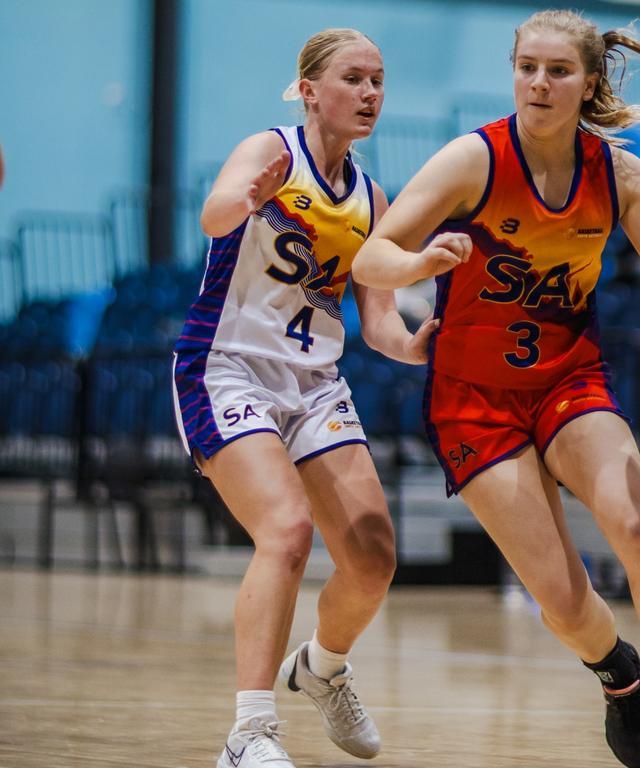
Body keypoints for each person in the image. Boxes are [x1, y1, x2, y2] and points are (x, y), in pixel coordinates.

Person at [352, 9, 640, 768]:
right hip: (471, 399)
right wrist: (418, 266)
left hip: (566, 379)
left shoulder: (616, 173)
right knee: (565, 599)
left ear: (587, 82)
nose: (540, 84)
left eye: (558, 70)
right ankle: (620, 679)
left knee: (637, 526)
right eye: (527, 68)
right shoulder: (470, 161)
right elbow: (370, 259)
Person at [172, 29, 435, 768]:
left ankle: (319, 667)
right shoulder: (271, 151)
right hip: (226, 367)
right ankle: (248, 733)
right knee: (286, 533)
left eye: (379, 80)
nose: (371, 93)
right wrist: (240, 199)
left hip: (315, 381)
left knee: (374, 557)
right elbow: (215, 212)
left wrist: (415, 345)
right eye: (354, 78)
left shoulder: (372, 197)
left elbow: (378, 320)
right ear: (311, 89)